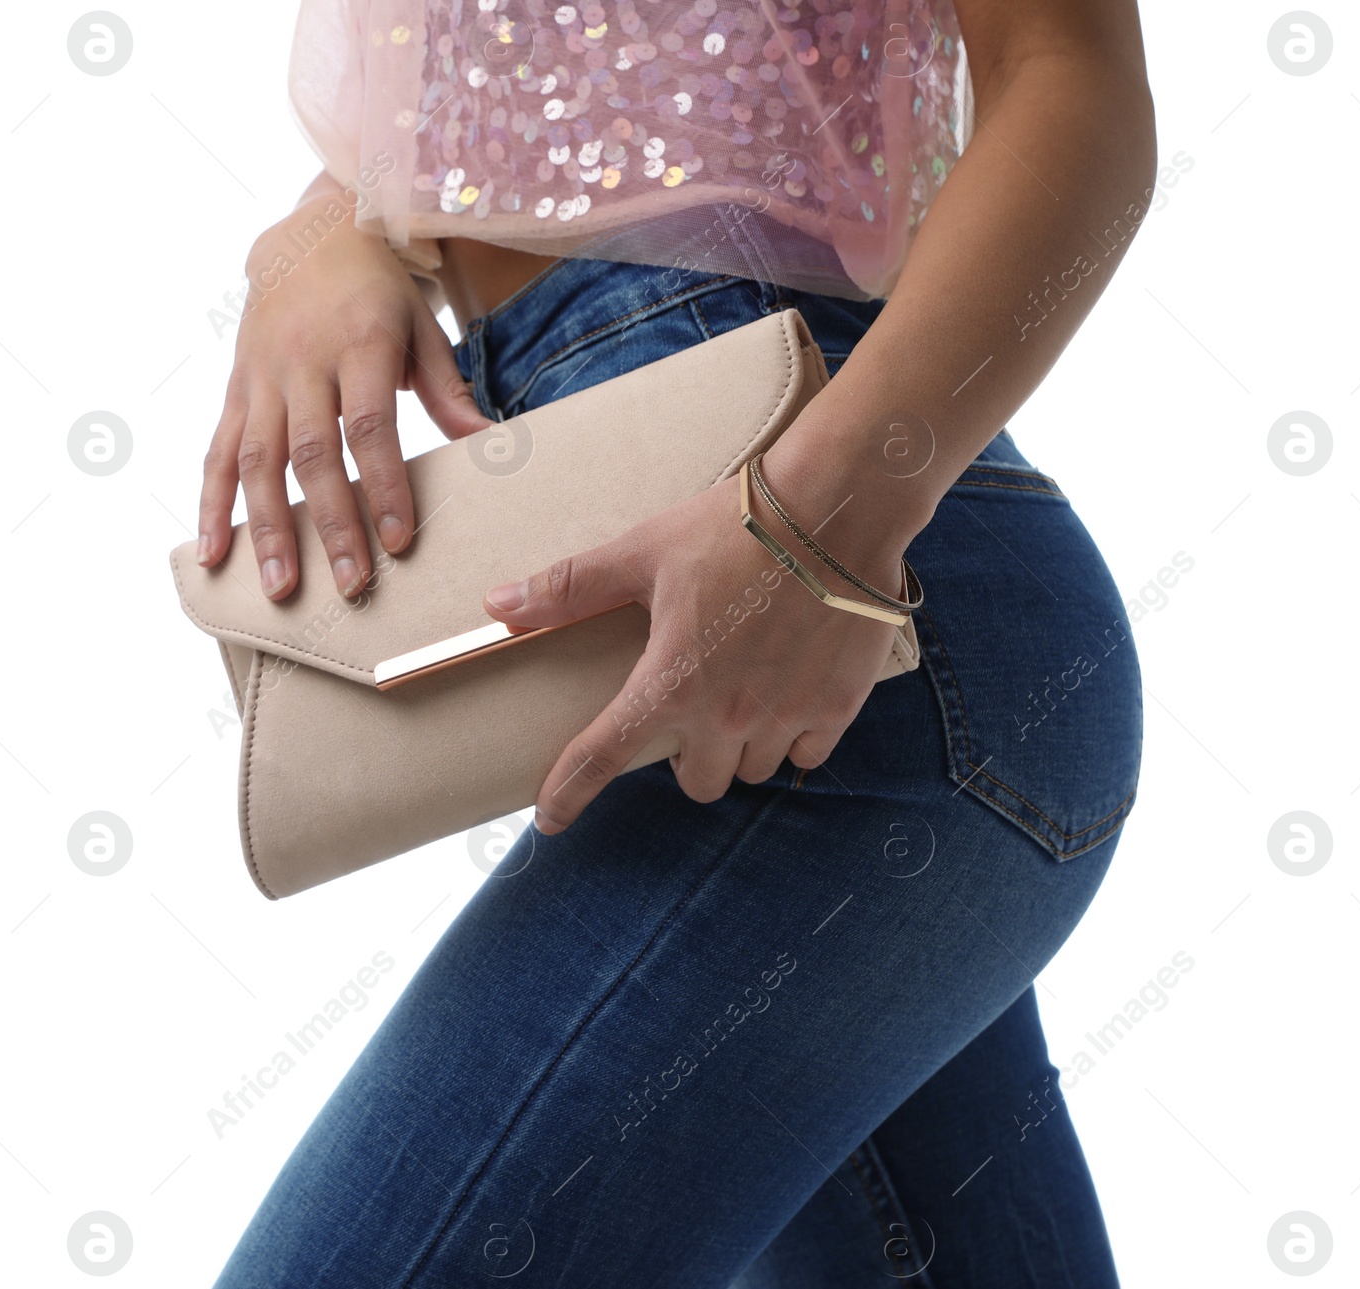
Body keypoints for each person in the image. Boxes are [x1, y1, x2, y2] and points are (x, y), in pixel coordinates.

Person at [201, 0, 1154, 1283]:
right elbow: (572, 85)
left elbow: (1068, 77)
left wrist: (810, 527)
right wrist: (327, 235)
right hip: (778, 606)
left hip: (845, 607)